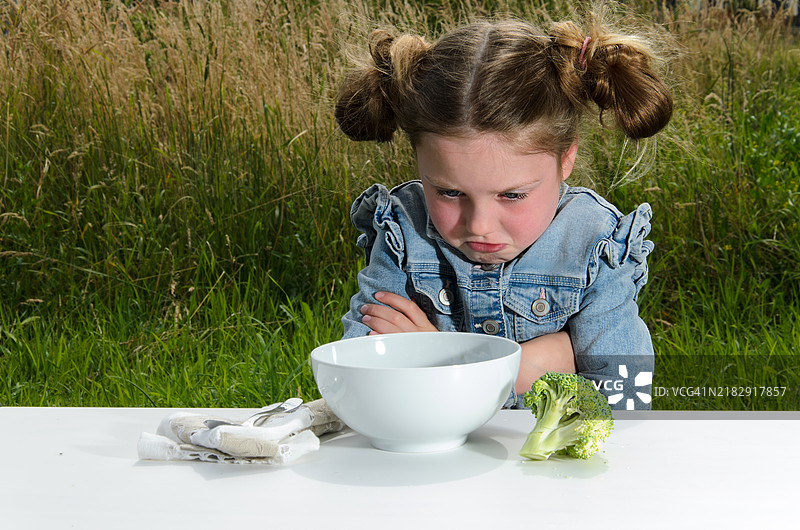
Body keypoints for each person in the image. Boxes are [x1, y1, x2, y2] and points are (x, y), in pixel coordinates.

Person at [333, 12, 673, 410]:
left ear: (565, 160)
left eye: (511, 196)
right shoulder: (403, 232)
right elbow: (355, 386)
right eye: (449, 192)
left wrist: (432, 360)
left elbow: (623, 399)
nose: (479, 225)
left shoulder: (594, 245)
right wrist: (535, 365)